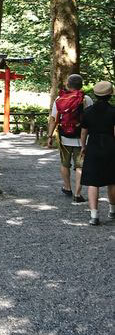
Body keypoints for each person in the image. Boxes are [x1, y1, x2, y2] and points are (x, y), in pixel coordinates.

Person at [47, 74, 92, 203]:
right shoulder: (86, 99)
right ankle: (78, 194)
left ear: (67, 84)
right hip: (82, 138)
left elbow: (54, 119)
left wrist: (49, 136)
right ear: (81, 85)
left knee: (64, 164)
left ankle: (67, 187)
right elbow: (89, 120)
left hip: (64, 136)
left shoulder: (60, 98)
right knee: (80, 166)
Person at [79, 81, 115, 226]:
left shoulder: (87, 112)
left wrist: (83, 146)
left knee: (93, 182)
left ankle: (94, 215)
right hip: (110, 145)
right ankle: (112, 210)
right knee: (112, 180)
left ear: (95, 94)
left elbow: (83, 132)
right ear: (110, 94)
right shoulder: (113, 111)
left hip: (93, 145)